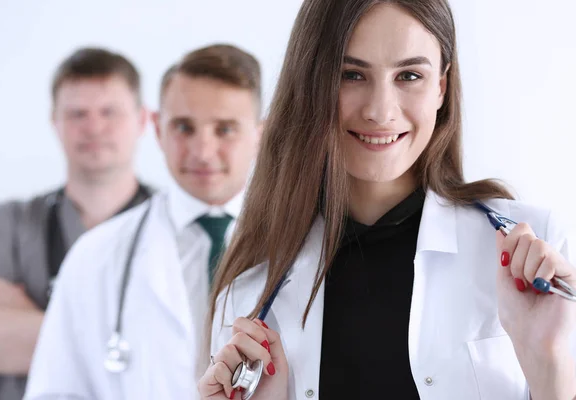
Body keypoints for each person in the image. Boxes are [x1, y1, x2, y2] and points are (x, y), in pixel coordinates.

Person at [199, 1, 576, 399]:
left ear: (441, 87)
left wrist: (549, 366)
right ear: (311, 84)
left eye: (409, 75)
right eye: (352, 75)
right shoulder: (248, 297)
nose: (380, 111)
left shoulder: (539, 255)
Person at [24, 43, 263, 400]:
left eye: (225, 129)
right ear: (156, 127)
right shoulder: (95, 255)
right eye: (184, 127)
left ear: (261, 133)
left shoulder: (305, 248)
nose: (201, 151)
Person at [0, 47, 152, 400]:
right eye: (77, 113)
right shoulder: (9, 223)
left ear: (142, 120)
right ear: (54, 121)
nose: (94, 127)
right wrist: (123, 342)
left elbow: (184, 351)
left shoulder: (174, 226)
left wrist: (30, 321)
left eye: (109, 112)